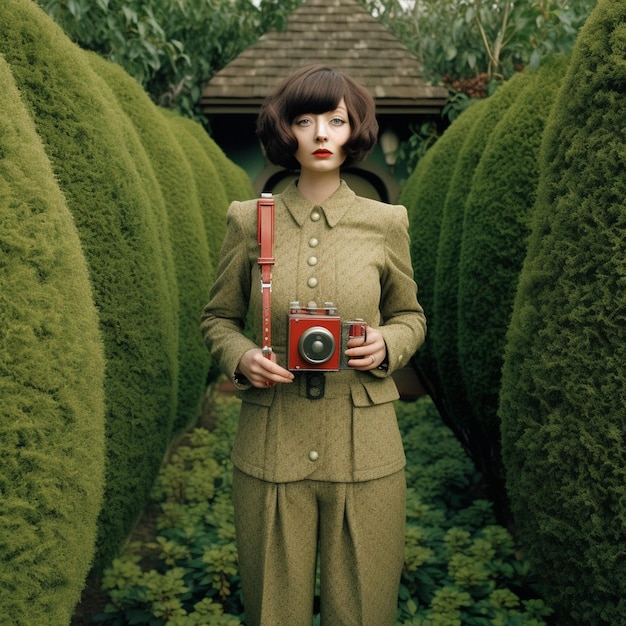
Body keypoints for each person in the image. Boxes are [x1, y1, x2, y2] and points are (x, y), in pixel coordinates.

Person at [201, 64, 426, 626]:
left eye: (336, 119)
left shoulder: (386, 222)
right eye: (305, 120)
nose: (321, 133)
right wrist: (241, 356)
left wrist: (387, 343)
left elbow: (410, 315)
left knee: (365, 612)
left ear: (354, 132)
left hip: (367, 450)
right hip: (270, 445)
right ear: (287, 132)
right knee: (274, 614)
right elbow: (218, 318)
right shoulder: (251, 221)